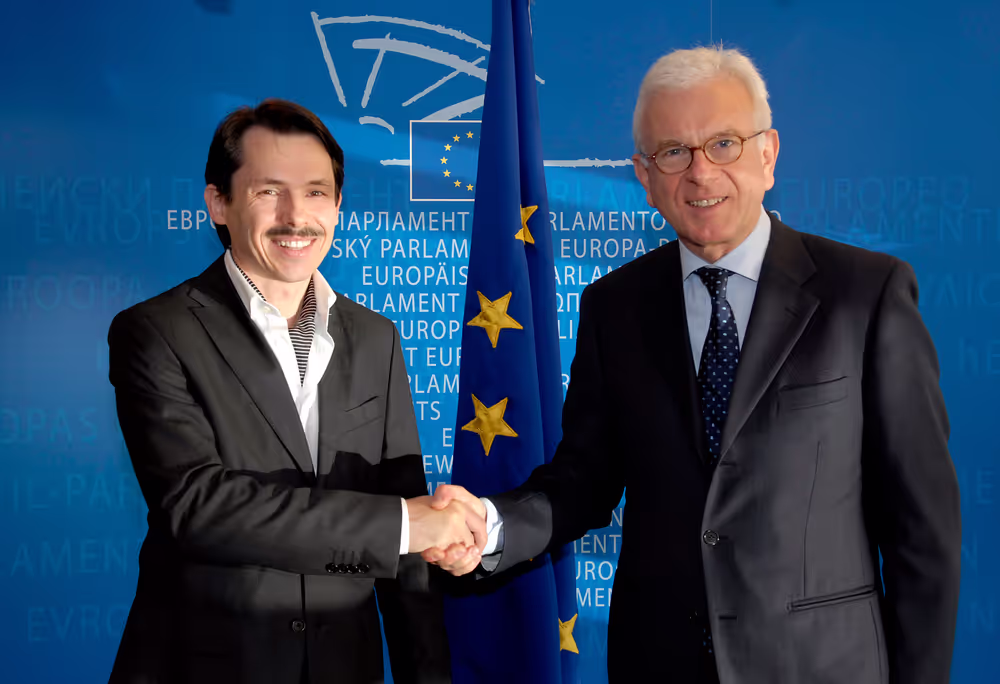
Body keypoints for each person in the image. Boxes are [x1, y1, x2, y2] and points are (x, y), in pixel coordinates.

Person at [426, 47, 962, 684]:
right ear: (645, 176)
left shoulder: (866, 295)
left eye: (725, 144)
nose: (701, 173)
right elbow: (582, 483)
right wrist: (490, 528)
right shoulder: (613, 306)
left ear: (769, 154)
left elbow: (923, 535)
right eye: (674, 152)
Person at [107, 99, 481, 684]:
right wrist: (405, 525)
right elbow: (199, 506)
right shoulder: (155, 331)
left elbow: (408, 545)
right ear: (219, 203)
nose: (295, 215)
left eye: (315, 192)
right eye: (267, 191)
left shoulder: (376, 337)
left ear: (338, 205)